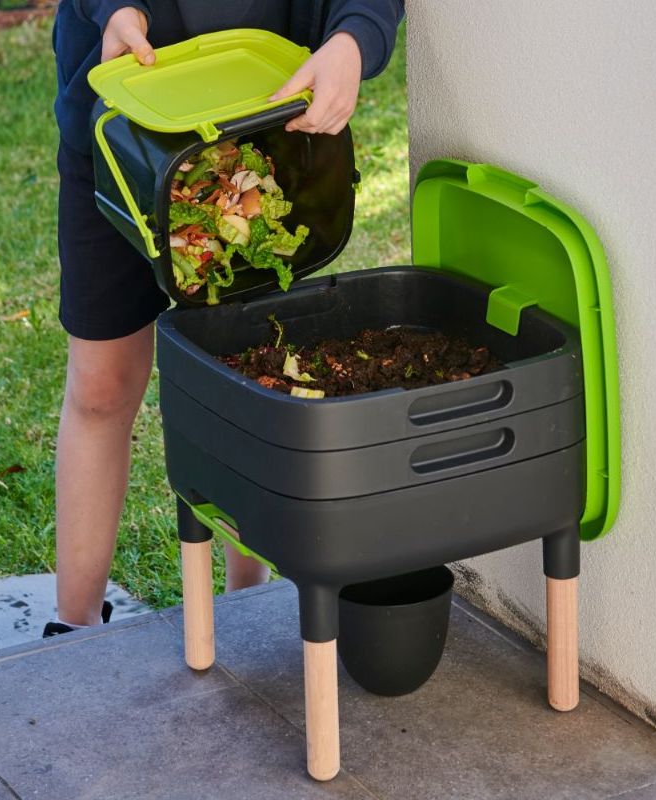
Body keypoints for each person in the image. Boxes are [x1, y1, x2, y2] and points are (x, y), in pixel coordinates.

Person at [43, 0, 404, 636]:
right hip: (121, 130)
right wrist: (114, 10)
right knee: (101, 388)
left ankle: (248, 610)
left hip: (264, 132)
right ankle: (70, 636)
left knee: (253, 379)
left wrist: (355, 40)